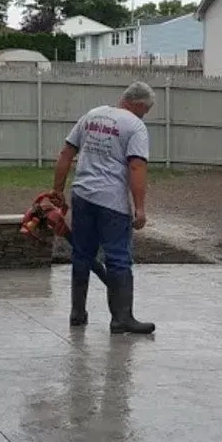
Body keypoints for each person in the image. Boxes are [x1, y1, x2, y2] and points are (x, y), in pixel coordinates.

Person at [51, 81, 157, 335]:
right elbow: (136, 167)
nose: (145, 114)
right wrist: (140, 208)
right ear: (138, 104)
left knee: (82, 254)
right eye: (146, 109)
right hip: (111, 202)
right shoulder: (135, 126)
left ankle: (77, 313)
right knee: (118, 258)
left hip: (82, 195)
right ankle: (122, 319)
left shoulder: (93, 115)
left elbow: (66, 154)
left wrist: (57, 191)